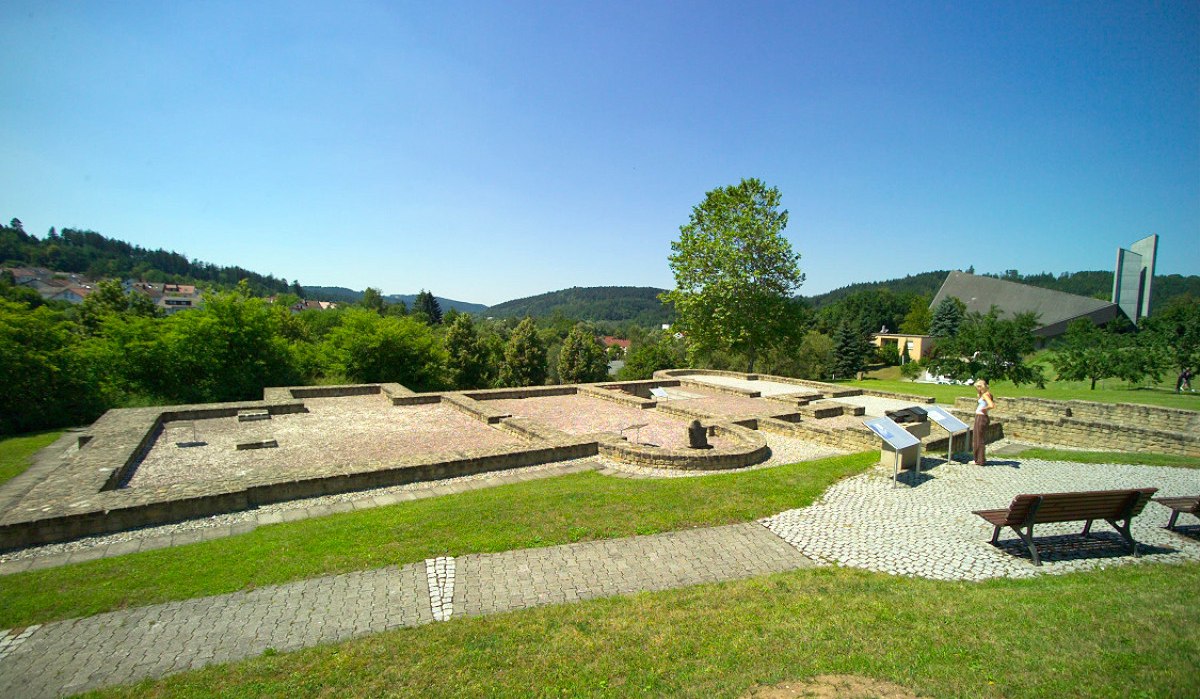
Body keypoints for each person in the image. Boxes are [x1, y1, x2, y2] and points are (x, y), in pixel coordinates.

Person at [973, 379, 995, 466]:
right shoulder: (987, 394)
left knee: (978, 439)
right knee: (979, 438)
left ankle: (979, 460)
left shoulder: (985, 395)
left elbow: (992, 405)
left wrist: (984, 409)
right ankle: (979, 459)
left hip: (981, 417)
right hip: (982, 417)